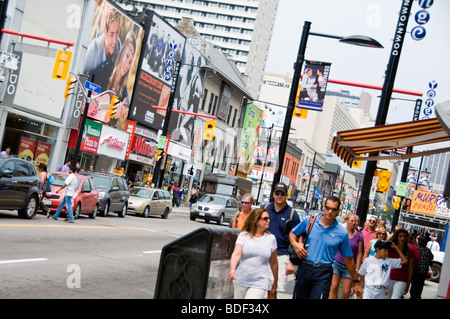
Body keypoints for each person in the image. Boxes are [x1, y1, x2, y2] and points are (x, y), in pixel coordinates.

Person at [289, 196, 362, 299]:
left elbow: (348, 260)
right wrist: (296, 245)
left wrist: (356, 281)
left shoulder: (341, 233)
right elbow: (292, 234)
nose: (330, 211)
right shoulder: (310, 221)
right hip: (305, 268)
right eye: (328, 208)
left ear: (338, 211)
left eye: (333, 209)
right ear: (323, 207)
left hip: (324, 272)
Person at [229, 208, 278, 299]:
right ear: (256, 221)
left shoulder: (271, 239)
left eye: (268, 218)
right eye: (265, 218)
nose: (268, 220)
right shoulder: (243, 236)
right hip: (241, 279)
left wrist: (275, 280)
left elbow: (274, 262)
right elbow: (236, 253)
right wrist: (232, 269)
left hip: (260, 281)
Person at [264, 183, 300, 298]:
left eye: (282, 194)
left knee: (273, 289)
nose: (279, 196)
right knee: (258, 287)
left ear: (286, 196)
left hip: (281, 255)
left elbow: (298, 238)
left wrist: (292, 262)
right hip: (263, 253)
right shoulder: (265, 209)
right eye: (277, 193)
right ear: (273, 194)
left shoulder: (292, 214)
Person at [329, 213, 364, 299]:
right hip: (337, 262)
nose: (354, 222)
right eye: (352, 220)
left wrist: (357, 267)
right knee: (333, 287)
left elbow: (359, 253)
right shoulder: (341, 232)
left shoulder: (359, 236)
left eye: (355, 221)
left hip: (350, 266)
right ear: (347, 221)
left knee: (346, 291)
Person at [387, 228, 414, 299]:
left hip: (402, 279)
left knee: (395, 297)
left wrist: (408, 285)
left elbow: (410, 269)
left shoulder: (410, 250)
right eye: (400, 236)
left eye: (404, 236)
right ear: (397, 237)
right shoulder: (390, 248)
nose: (403, 238)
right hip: (389, 277)